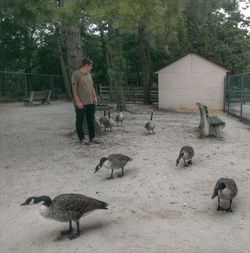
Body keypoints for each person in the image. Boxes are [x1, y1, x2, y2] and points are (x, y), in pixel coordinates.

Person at [71, 57, 99, 145]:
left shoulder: (89, 74)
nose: (91, 68)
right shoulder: (76, 74)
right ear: (86, 65)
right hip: (81, 103)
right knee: (79, 121)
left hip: (91, 102)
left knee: (91, 120)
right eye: (90, 66)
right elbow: (74, 89)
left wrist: (95, 97)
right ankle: (82, 139)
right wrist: (78, 101)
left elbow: (92, 86)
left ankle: (92, 138)